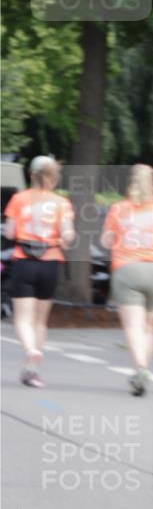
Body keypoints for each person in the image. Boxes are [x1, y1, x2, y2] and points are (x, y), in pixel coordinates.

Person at [101, 164, 153, 396]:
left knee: (133, 326)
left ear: (131, 183)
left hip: (128, 270)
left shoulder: (118, 209)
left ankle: (140, 368)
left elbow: (106, 240)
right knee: (148, 327)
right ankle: (144, 369)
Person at [4, 156, 75, 388]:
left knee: (22, 318)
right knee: (40, 321)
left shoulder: (19, 199)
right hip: (50, 262)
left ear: (31, 175)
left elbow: (10, 233)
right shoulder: (62, 203)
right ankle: (33, 372)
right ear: (54, 176)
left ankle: (30, 350)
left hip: (24, 262)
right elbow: (68, 235)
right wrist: (64, 237)